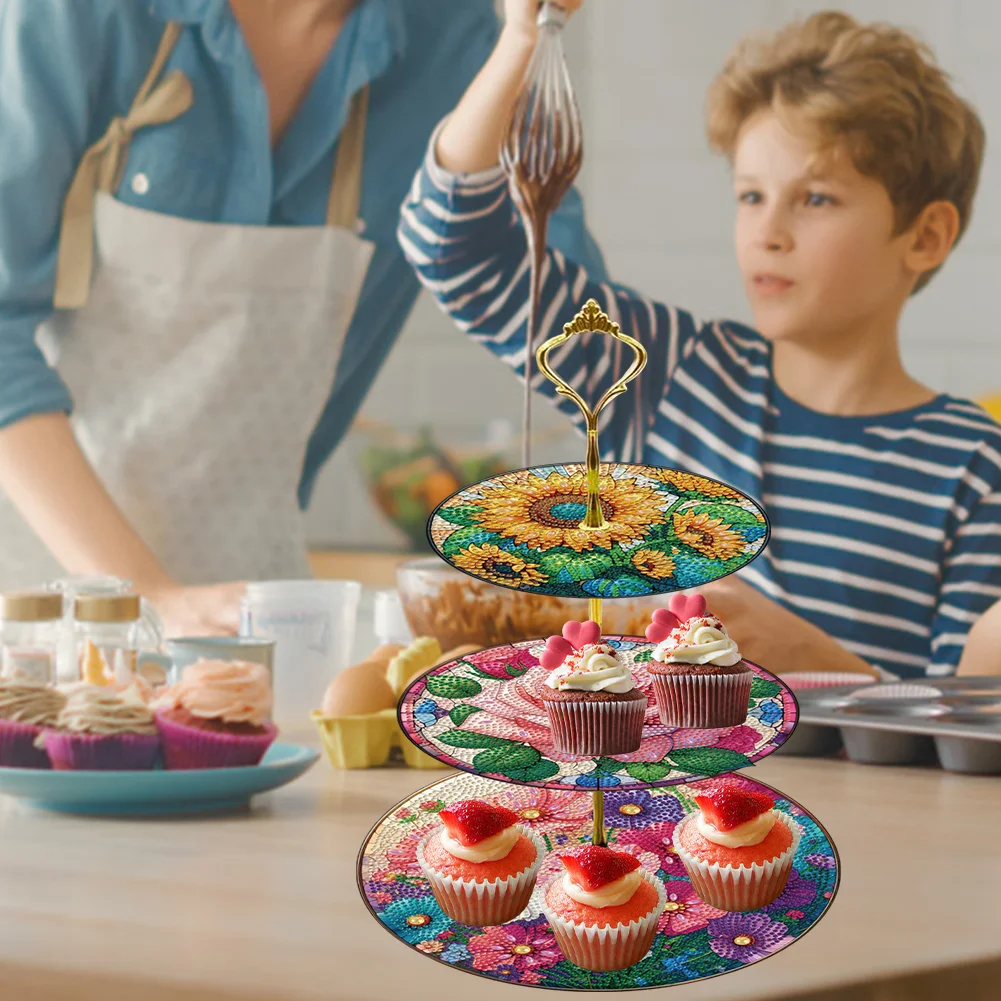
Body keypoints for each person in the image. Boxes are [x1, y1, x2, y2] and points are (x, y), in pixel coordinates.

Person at [398, 3, 1001, 680]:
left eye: (816, 199)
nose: (767, 233)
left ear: (925, 236)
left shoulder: (973, 468)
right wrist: (517, 39)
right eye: (751, 196)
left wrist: (816, 661)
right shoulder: (669, 373)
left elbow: (961, 725)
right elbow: (453, 249)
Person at [0, 0, 606, 637]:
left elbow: (584, 337)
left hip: (253, 613)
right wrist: (152, 596)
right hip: (30, 608)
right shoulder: (79, 14)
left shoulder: (460, 44)